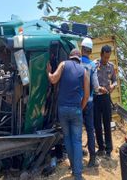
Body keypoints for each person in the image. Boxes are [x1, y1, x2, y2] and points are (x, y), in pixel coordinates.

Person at [47, 49, 89, 180]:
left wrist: (48, 71)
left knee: (67, 138)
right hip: (76, 109)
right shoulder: (84, 71)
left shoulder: (63, 64)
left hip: (63, 109)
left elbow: (53, 80)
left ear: (70, 57)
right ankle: (78, 174)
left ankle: (73, 166)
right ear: (79, 58)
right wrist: (80, 108)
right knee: (76, 141)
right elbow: (87, 95)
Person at [80, 38, 105, 167]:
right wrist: (101, 89)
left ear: (81, 49)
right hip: (89, 102)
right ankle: (92, 159)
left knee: (77, 130)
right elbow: (95, 87)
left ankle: (77, 159)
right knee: (90, 129)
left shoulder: (75, 63)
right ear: (90, 51)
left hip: (76, 103)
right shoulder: (92, 65)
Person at [93, 45, 117, 158]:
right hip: (96, 98)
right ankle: (101, 148)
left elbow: (115, 81)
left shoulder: (111, 67)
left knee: (107, 124)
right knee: (97, 124)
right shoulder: (94, 65)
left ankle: (108, 150)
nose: (106, 59)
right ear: (101, 55)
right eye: (105, 57)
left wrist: (113, 86)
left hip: (106, 98)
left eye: (108, 57)